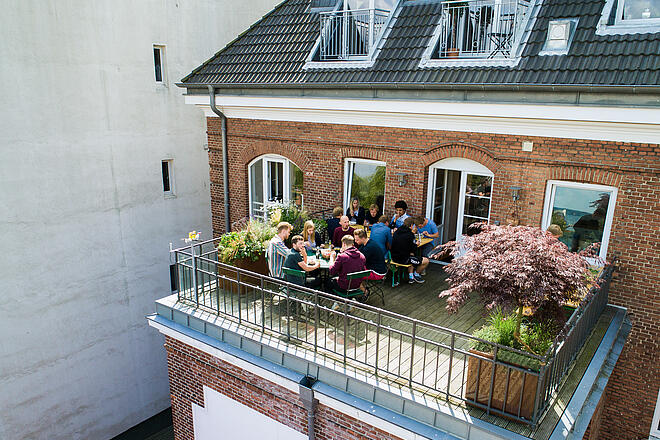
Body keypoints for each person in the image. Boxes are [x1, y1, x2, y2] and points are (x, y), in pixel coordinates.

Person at [391, 217, 429, 283]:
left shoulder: (397, 231)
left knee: (412, 255)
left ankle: (411, 276)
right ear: (411, 225)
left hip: (394, 257)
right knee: (426, 261)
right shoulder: (410, 235)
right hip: (403, 259)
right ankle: (416, 274)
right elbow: (413, 249)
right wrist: (416, 244)